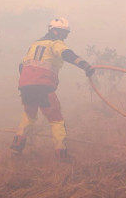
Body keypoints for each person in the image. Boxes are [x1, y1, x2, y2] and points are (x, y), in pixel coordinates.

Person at [10, 17, 95, 160]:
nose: (64, 37)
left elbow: (21, 65)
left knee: (29, 115)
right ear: (55, 31)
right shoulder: (55, 43)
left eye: (66, 34)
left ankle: (16, 147)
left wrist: (28, 83)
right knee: (56, 120)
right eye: (63, 33)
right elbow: (67, 55)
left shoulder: (34, 44)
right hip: (43, 87)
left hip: (25, 86)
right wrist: (84, 65)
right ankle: (61, 154)